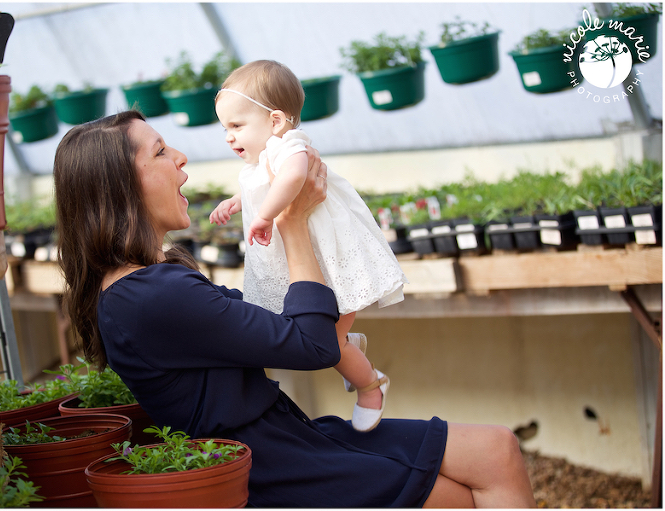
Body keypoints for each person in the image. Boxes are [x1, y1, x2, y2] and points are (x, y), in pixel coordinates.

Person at [53, 110, 536, 508]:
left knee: (499, 449)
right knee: (455, 498)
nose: (181, 158)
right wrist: (294, 222)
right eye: (160, 151)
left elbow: (271, 325)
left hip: (286, 436)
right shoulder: (149, 295)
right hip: (269, 468)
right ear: (117, 188)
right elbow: (311, 343)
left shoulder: (146, 284)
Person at [209, 60, 409, 431]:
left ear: (276, 122)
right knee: (312, 334)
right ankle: (349, 348)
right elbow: (260, 185)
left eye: (236, 126)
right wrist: (236, 203)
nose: (228, 136)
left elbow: (294, 177)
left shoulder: (290, 148)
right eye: (225, 128)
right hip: (303, 267)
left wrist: (265, 215)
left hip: (331, 264)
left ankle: (370, 386)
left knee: (327, 345)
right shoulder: (260, 160)